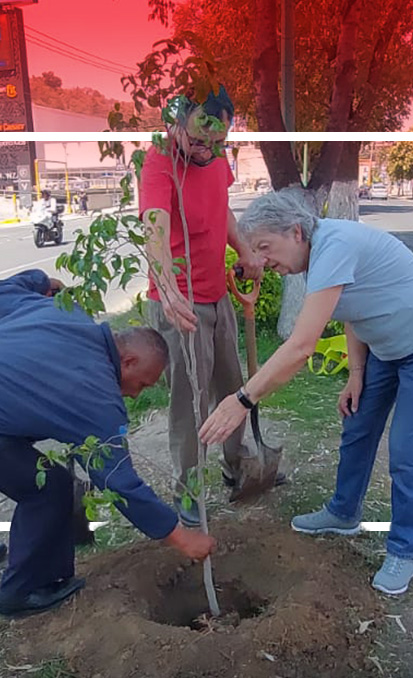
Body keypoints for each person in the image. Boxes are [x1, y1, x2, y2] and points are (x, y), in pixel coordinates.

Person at [0, 269, 215, 619]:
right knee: (50, 488)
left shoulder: (65, 311)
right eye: (141, 383)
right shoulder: (98, 395)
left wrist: (42, 282)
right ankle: (24, 589)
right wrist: (179, 537)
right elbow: (118, 482)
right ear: (127, 360)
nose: (133, 394)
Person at [199, 188, 413, 596]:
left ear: (297, 231)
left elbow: (302, 347)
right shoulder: (317, 258)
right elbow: (353, 309)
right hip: (386, 347)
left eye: (265, 246)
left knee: (408, 450)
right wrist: (356, 373)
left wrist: (242, 399)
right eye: (256, 250)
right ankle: (343, 513)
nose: (262, 259)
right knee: (357, 425)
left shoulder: (335, 245)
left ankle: (406, 551)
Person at [138, 85, 269, 526]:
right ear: (176, 122)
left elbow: (222, 208)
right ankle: (188, 489)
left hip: (218, 296)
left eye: (218, 143)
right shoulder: (158, 163)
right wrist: (166, 283)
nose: (207, 151)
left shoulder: (214, 161)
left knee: (234, 388)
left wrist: (245, 249)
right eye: (198, 140)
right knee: (190, 403)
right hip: (181, 307)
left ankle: (239, 467)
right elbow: (154, 225)